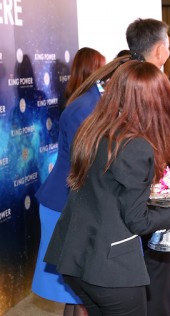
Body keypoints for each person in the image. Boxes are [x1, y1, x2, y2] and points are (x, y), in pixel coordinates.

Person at [44, 61, 170, 316]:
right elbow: (138, 221)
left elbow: (106, 188)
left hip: (75, 258)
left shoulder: (92, 128)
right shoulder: (136, 146)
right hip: (110, 269)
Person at [32, 46, 105, 316]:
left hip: (70, 203)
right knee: (78, 292)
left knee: (76, 294)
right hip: (63, 206)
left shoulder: (89, 101)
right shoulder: (83, 107)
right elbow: (85, 162)